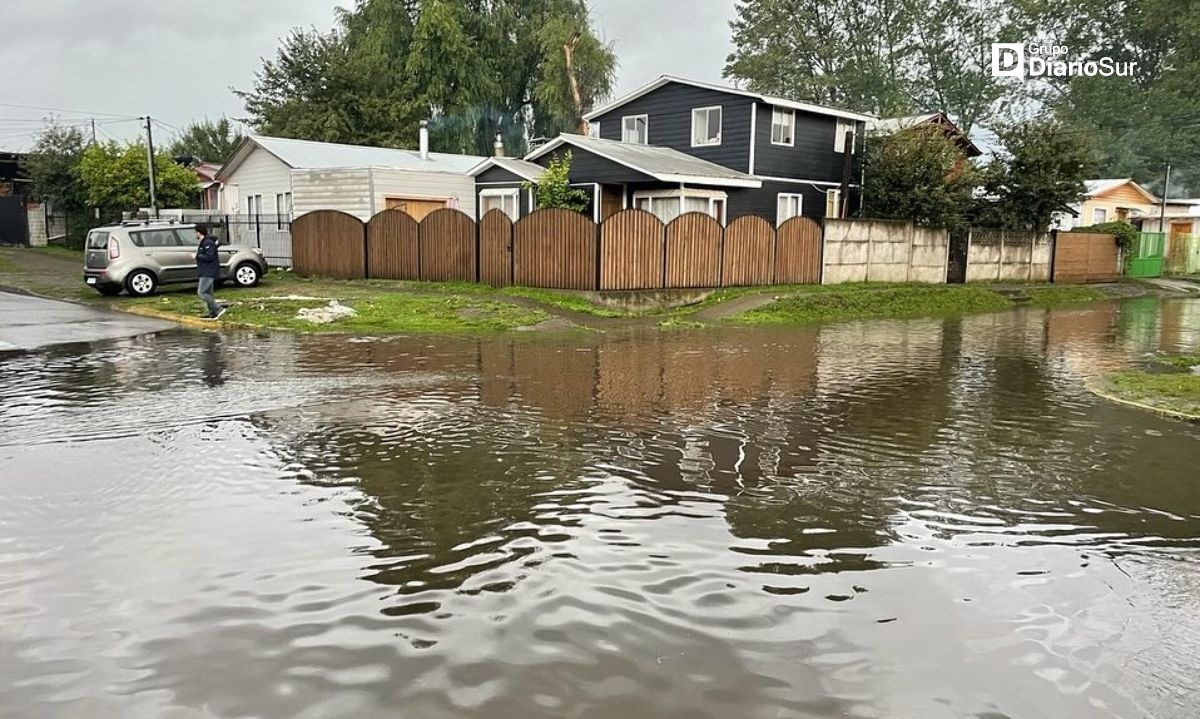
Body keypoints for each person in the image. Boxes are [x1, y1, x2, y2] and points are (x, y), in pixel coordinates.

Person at [194, 223, 226, 320]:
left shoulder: (208, 243)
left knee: (202, 292)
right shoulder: (204, 242)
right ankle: (212, 313)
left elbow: (210, 257)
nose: (194, 234)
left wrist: (196, 256)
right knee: (208, 292)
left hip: (208, 271)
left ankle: (218, 309)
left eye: (195, 232)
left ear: (199, 232)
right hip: (204, 270)